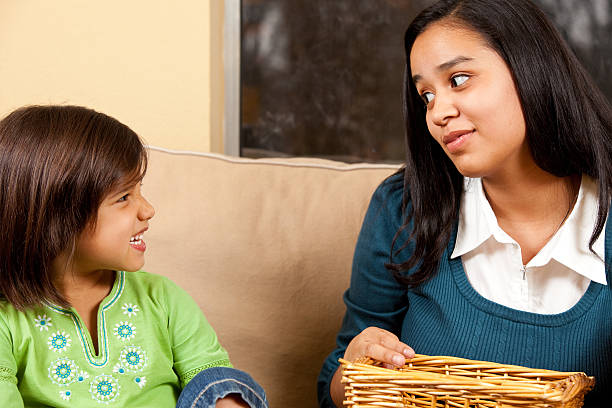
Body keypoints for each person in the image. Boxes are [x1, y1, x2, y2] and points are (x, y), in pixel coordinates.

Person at [318, 0, 612, 406]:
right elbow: (333, 383)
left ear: (531, 69)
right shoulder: (402, 208)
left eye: (458, 79)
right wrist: (354, 367)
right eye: (425, 96)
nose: (438, 111)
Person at [0, 105, 268, 408]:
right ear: (56, 216)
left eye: (140, 190)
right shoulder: (7, 321)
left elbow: (211, 380)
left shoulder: (163, 299)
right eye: (124, 197)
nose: (147, 209)